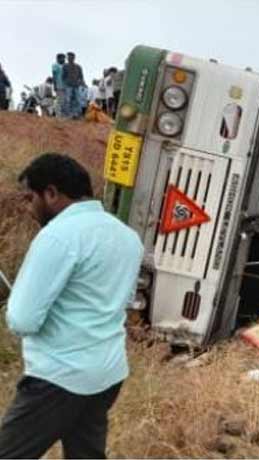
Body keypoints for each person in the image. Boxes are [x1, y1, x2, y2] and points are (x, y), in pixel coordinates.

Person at [0, 154, 144, 459]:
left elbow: (23, 319)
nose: (28, 208)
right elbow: (122, 301)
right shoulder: (128, 237)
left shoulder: (57, 237)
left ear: (51, 193)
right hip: (107, 374)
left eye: (30, 198)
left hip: (58, 378)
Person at [62, 52, 84, 119]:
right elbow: (63, 76)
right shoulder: (65, 66)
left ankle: (76, 114)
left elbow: (81, 76)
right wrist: (64, 84)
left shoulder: (78, 67)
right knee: (67, 100)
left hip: (76, 86)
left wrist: (81, 83)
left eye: (71, 56)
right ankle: (68, 115)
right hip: (68, 85)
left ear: (74, 58)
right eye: (68, 56)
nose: (69, 58)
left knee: (77, 100)